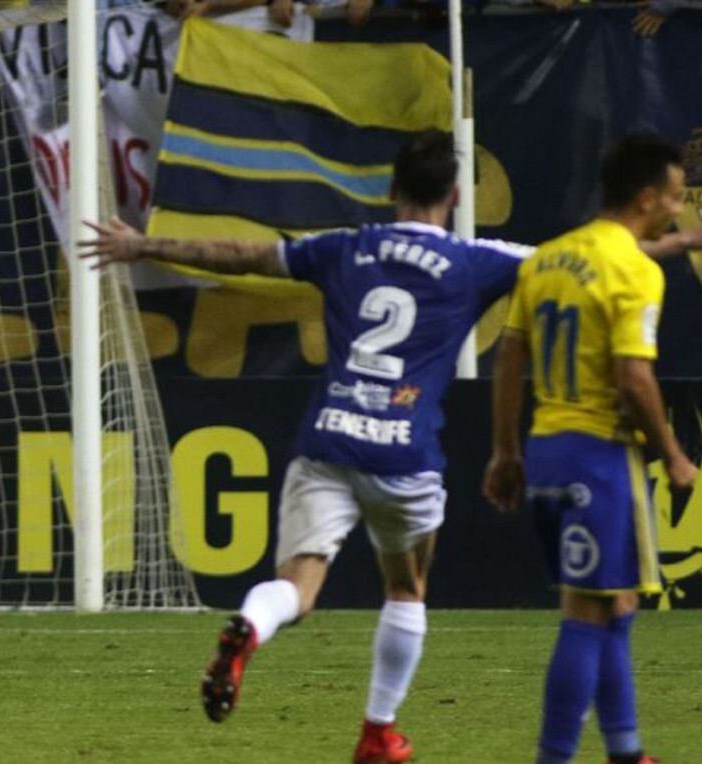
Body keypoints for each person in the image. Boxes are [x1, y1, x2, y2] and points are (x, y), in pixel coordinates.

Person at [82, 130, 534, 764]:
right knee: (406, 589)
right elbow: (586, 259)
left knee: (296, 586)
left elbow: (240, 255)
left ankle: (251, 625)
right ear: (456, 196)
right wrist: (668, 242)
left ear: (391, 188)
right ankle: (378, 732)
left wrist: (143, 244)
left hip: (329, 440)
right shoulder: (480, 260)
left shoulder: (343, 247)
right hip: (404, 454)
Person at [482, 133, 699, 764]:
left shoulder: (546, 260)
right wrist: (673, 454)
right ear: (646, 198)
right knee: (586, 613)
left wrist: (505, 451)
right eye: (676, 198)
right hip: (599, 459)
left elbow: (509, 358)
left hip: (546, 452)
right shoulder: (635, 270)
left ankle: (626, 752)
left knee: (615, 603)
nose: (678, 210)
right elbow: (634, 377)